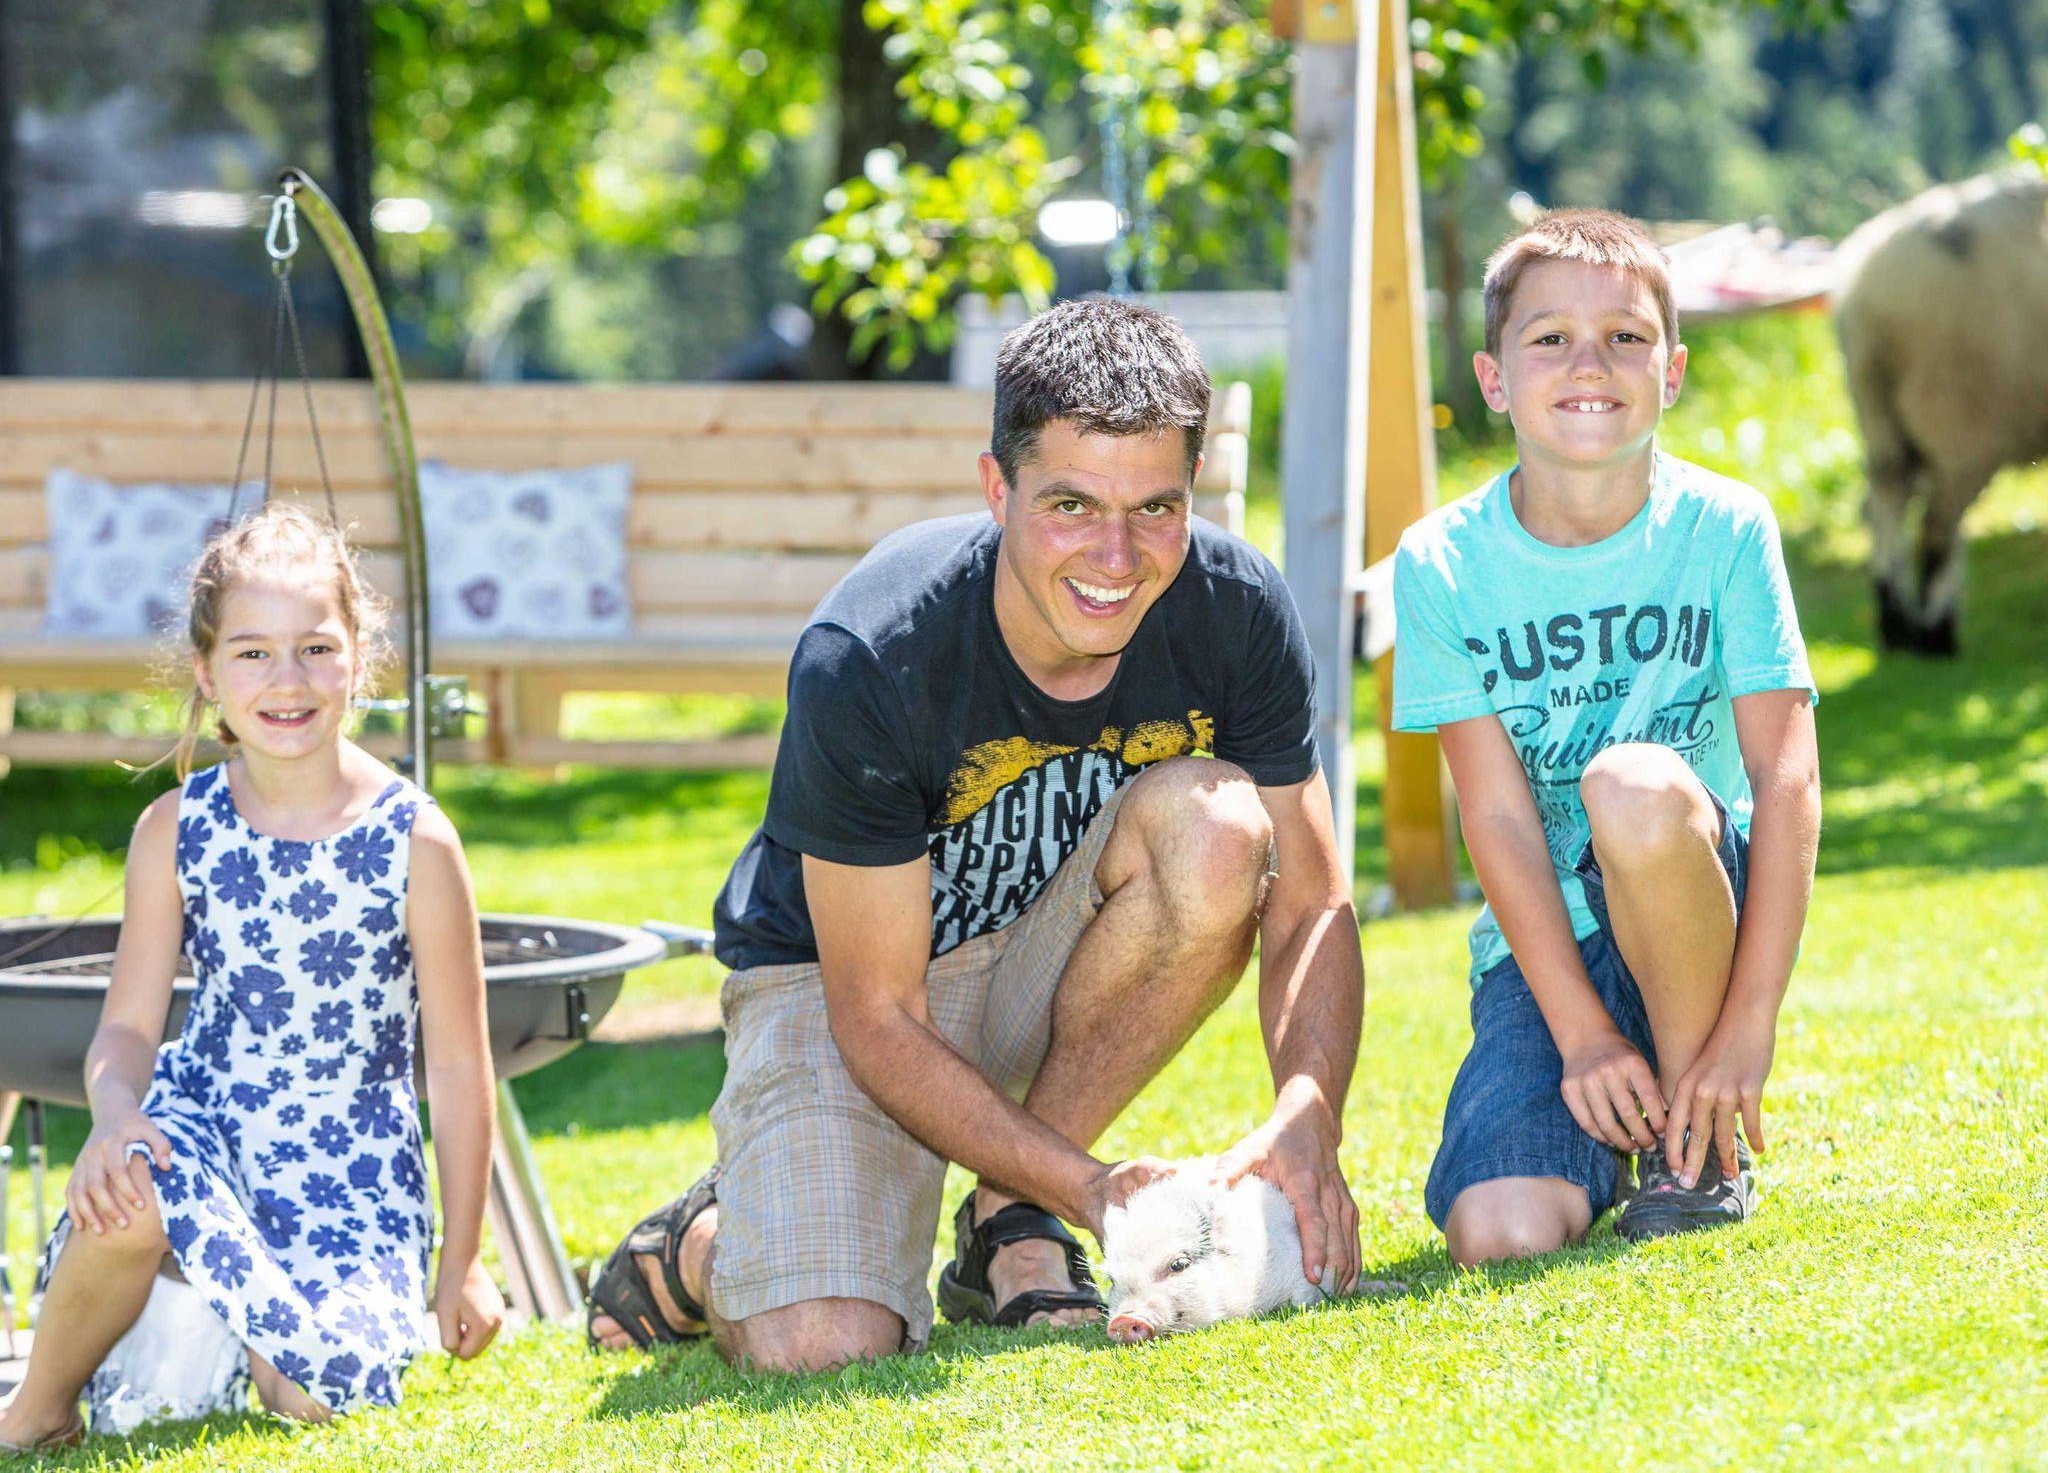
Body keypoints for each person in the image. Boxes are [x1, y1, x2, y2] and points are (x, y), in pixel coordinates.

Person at [588, 298, 1365, 1370]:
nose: (1115, 554)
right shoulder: (871, 650)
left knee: (1220, 830)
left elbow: (1313, 897)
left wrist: (1309, 1106)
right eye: (1069, 504)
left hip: (1051, 957)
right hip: (847, 986)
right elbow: (877, 1014)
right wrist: (1093, 1185)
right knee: (823, 1343)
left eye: (1155, 507)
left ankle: (1009, 1216)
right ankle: (705, 1240)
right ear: (997, 489)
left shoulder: (1234, 606)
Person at [0, 506, 502, 1453]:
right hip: (209, 1126)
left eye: (316, 649)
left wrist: (463, 1261)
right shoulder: (176, 829)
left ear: (359, 657)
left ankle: (213, 1315)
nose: (288, 680)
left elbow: (459, 1066)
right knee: (130, 1190)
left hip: (351, 1171)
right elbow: (128, 1030)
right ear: (206, 672)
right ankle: (39, 1411)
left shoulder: (417, 841)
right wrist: (116, 1114)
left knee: (319, 1393)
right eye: (253, 653)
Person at [1391, 209, 1821, 1265]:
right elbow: (1495, 814)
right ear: (1493, 379)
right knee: (1499, 1234)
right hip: (1551, 947)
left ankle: (1695, 1147)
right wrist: (1581, 1033)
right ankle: (1618, 1115)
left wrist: (1749, 1022)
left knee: (1628, 782)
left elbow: (1785, 777)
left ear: (1669, 372)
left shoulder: (1725, 527)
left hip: (1693, 902)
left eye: (1624, 337)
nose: (1589, 363)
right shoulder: (1440, 562)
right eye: (1549, 338)